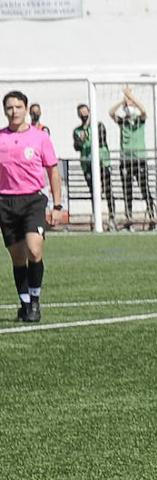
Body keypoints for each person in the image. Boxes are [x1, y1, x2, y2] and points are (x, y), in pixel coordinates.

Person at [2, 90, 63, 323]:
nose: (14, 111)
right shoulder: (0, 138)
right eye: (9, 107)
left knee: (34, 250)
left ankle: (35, 301)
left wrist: (57, 205)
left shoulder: (40, 138)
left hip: (33, 200)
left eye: (18, 106)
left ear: (26, 109)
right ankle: (25, 305)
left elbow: (53, 170)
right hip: (5, 202)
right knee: (17, 257)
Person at [109, 86, 157, 230]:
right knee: (127, 190)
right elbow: (111, 112)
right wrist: (122, 100)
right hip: (125, 161)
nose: (128, 105)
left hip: (139, 159)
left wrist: (131, 97)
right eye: (127, 103)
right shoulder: (122, 121)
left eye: (130, 103)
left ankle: (152, 216)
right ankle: (129, 217)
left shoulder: (139, 121)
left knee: (144, 188)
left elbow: (144, 111)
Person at [71, 103, 117, 231]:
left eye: (85, 113)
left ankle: (112, 217)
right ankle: (97, 218)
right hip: (87, 164)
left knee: (108, 190)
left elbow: (101, 140)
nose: (84, 115)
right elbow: (77, 146)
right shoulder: (77, 131)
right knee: (94, 192)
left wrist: (88, 137)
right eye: (81, 114)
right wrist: (81, 140)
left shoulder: (98, 126)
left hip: (102, 163)